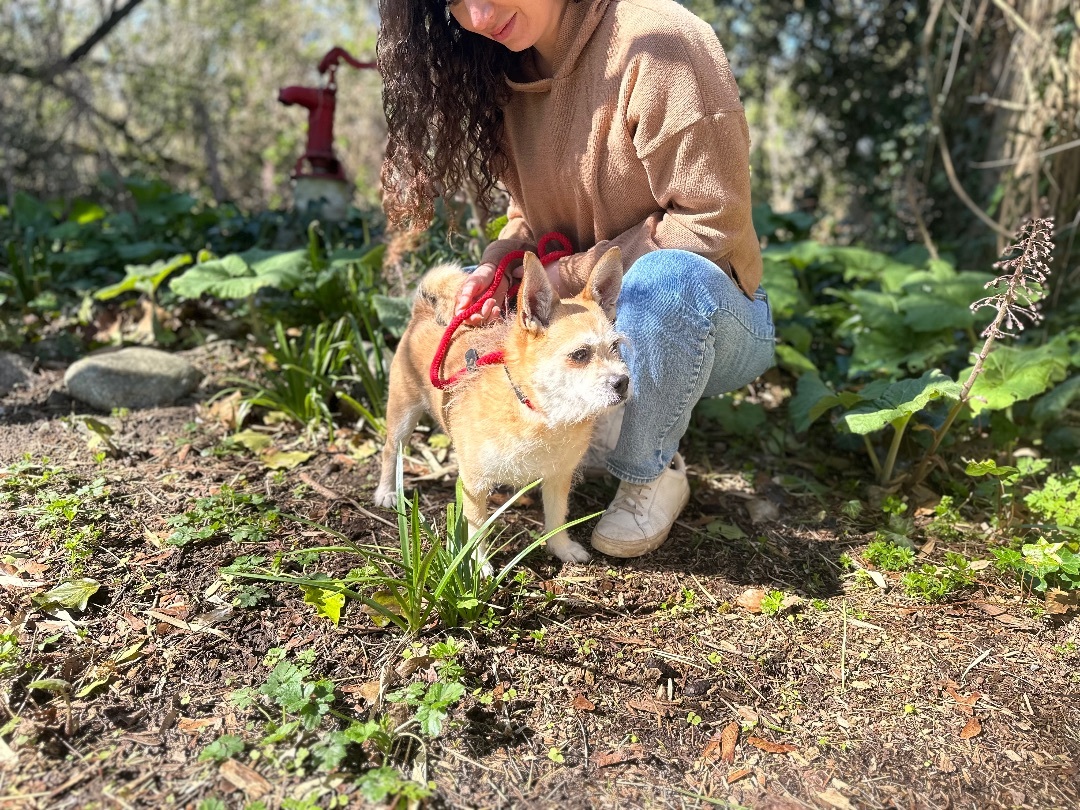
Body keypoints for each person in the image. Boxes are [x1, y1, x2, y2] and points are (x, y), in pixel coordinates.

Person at [377, 0, 775, 558]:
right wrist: (497, 261)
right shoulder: (508, 73)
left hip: (715, 309)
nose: (478, 15)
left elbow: (712, 222)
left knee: (663, 283)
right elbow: (530, 219)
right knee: (478, 291)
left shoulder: (660, 43)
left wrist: (568, 273)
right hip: (598, 312)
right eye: (453, 2)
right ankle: (572, 426)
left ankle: (648, 470)